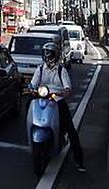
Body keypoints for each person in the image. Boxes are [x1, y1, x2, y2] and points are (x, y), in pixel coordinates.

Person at [30, 42, 85, 172]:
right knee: (29, 106)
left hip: (56, 99)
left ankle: (79, 160)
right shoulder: (40, 69)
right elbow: (33, 84)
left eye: (50, 53)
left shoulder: (61, 70)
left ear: (55, 55)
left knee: (70, 129)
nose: (47, 56)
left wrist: (64, 92)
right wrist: (31, 89)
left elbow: (67, 87)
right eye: (45, 53)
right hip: (42, 99)